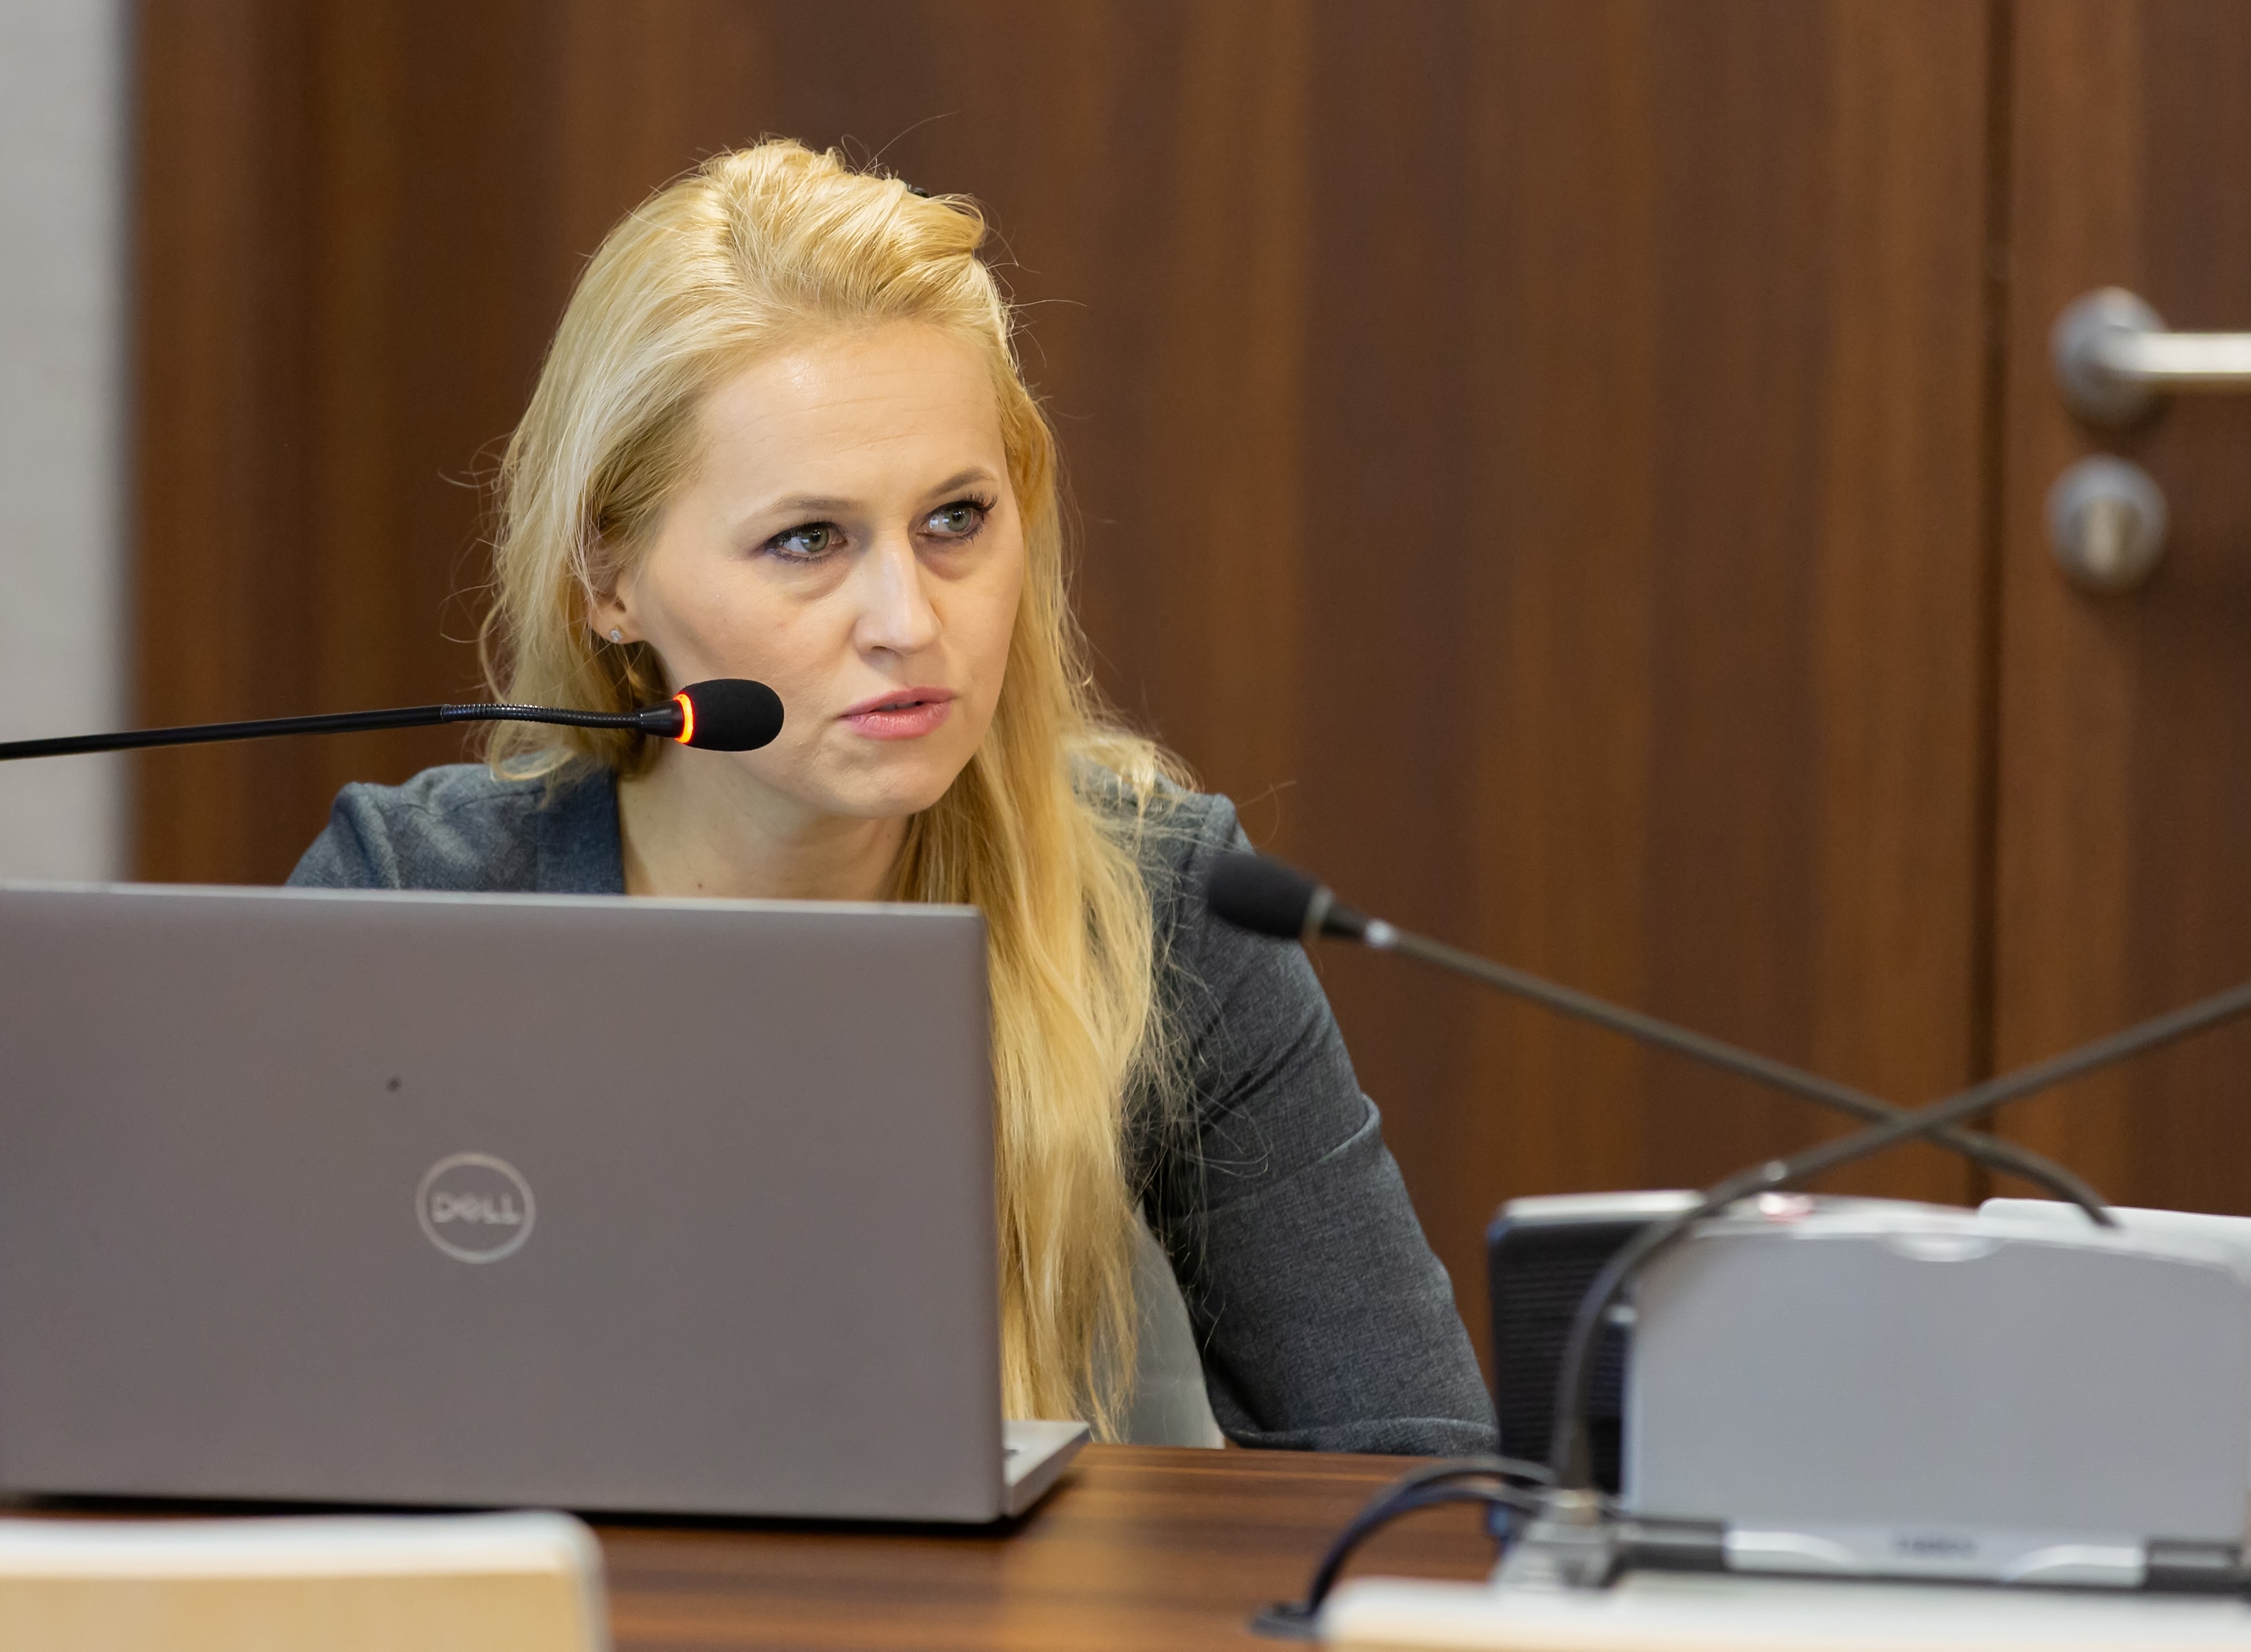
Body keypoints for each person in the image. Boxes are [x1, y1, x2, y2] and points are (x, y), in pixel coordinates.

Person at [290, 140, 1493, 1455]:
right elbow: (213, 1414)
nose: (907, 621)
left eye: (955, 520)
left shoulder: (1154, 905)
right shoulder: (415, 901)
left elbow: (1420, 1475)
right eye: (808, 540)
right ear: (607, 581)